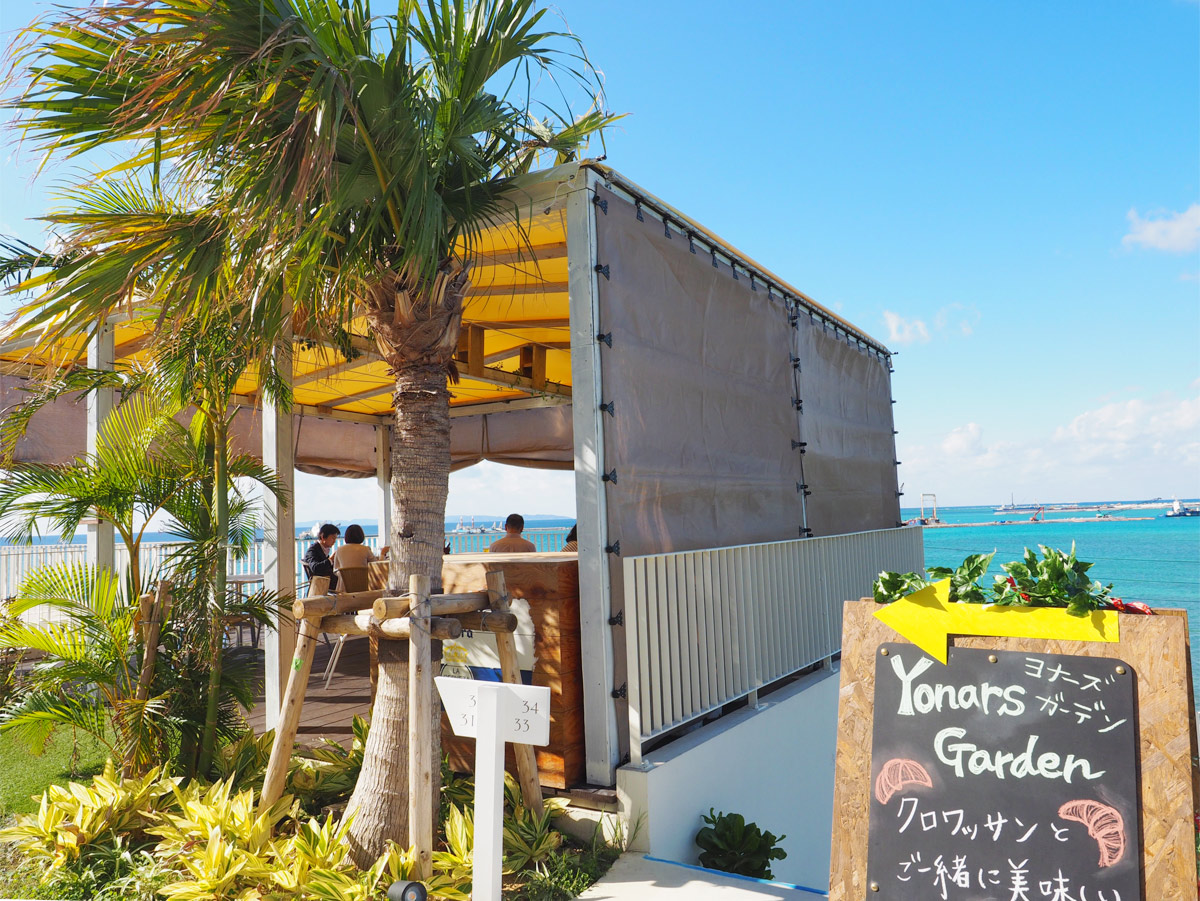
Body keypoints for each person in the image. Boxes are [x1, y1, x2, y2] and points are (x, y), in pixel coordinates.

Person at [303, 523, 340, 590]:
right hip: (322, 586)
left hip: (328, 583)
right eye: (332, 538)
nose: (334, 541)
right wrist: (331, 560)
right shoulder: (313, 550)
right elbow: (315, 568)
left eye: (335, 538)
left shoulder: (323, 550)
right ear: (323, 537)